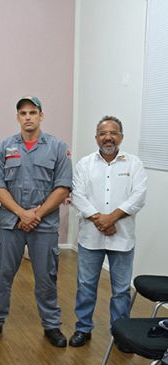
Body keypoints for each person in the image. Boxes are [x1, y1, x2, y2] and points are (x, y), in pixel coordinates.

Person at [0, 96, 73, 347]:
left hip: (44, 226)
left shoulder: (57, 147)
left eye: (33, 112)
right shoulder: (4, 147)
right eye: (23, 113)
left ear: (41, 115)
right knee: (3, 274)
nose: (28, 117)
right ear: (17, 117)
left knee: (46, 277)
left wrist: (36, 214)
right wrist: (22, 213)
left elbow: (63, 187)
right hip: (12, 223)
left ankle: (51, 325)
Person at [69, 116, 147, 347]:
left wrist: (111, 218)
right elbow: (78, 196)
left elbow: (139, 196)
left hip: (121, 237)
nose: (108, 137)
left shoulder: (134, 164)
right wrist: (100, 220)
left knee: (121, 290)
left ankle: (121, 333)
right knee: (85, 286)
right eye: (103, 133)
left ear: (121, 136)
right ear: (96, 138)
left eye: (113, 133)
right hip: (90, 238)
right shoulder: (85, 164)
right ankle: (83, 328)